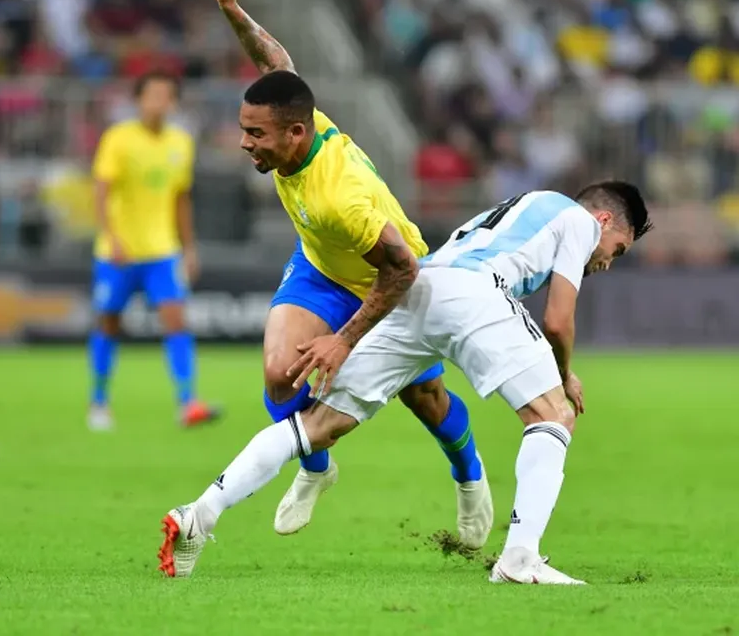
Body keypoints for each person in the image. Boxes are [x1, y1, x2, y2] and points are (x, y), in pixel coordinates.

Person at [158, 183, 652, 584]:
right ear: (605, 221)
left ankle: (200, 513)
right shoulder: (580, 221)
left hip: (422, 287)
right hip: (475, 293)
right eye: (618, 249)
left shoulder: (530, 203)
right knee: (553, 415)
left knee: (317, 425)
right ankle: (521, 557)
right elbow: (559, 322)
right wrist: (564, 376)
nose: (607, 259)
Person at [208, 0, 492, 544]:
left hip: (397, 280)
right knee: (282, 375)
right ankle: (317, 468)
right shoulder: (299, 127)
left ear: (295, 133)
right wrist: (234, 9)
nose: (244, 144)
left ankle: (470, 477)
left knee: (430, 402)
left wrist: (343, 341)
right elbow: (277, 62)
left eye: (255, 134)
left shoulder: (341, 195)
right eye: (243, 130)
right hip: (320, 265)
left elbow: (402, 268)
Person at [88, 71, 219, 430]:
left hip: (163, 252)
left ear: (174, 102)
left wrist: (189, 248)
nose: (159, 102)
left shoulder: (180, 142)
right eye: (152, 95)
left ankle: (187, 402)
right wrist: (110, 237)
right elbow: (100, 189)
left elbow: (181, 199)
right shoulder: (119, 139)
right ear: (138, 100)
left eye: (166, 96)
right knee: (109, 322)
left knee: (176, 320)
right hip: (119, 253)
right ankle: (99, 401)